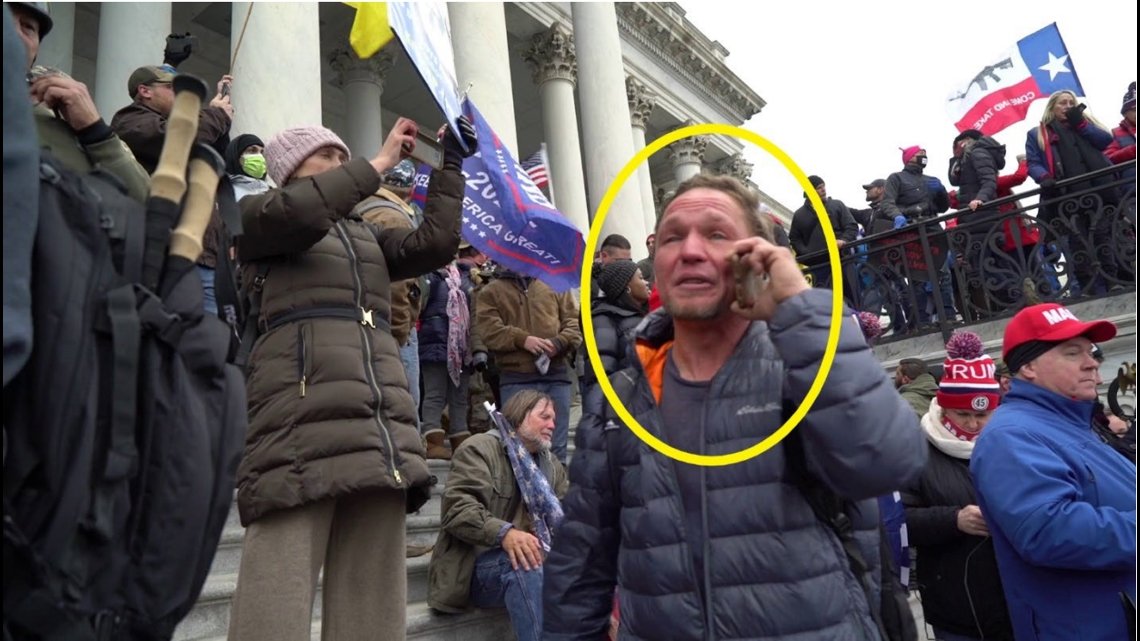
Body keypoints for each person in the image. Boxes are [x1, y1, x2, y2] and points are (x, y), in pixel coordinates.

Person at [542, 173, 927, 639]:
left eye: (717, 234)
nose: (689, 250)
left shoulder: (803, 359)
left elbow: (885, 461)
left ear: (757, 258)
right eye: (671, 238)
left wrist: (798, 309)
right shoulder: (620, 398)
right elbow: (580, 563)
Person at [226, 117, 473, 641]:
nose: (344, 166)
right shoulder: (261, 216)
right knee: (278, 586)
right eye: (328, 158)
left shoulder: (367, 236)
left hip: (377, 424)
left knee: (374, 600)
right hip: (299, 423)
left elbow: (435, 244)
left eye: (346, 157)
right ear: (290, 170)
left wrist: (451, 165)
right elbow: (306, 209)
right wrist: (379, 163)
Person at [971, 303, 1136, 641]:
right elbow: (1049, 531)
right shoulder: (1011, 436)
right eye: (1072, 353)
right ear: (1028, 366)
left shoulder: (1071, 422)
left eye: (1091, 352)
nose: (1092, 362)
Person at [427, 390, 568, 641]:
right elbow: (457, 509)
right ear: (519, 415)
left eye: (554, 420)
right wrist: (505, 533)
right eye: (545, 417)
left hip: (535, 560)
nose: (553, 425)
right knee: (527, 560)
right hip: (474, 567)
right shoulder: (479, 448)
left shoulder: (551, 464)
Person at [902, 331, 1013, 641]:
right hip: (957, 606)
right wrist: (954, 520)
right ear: (944, 408)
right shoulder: (916, 451)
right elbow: (899, 520)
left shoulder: (1011, 443)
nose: (973, 424)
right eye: (962, 414)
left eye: (982, 414)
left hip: (1019, 601)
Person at [14, 2, 149, 204]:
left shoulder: (59, 124)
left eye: (28, 27)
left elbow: (146, 204)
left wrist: (95, 132)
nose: (14, 33)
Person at [475, 267, 581, 464]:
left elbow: (573, 324)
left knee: (556, 447)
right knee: (518, 448)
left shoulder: (557, 283)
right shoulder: (491, 291)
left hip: (556, 375)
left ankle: (554, 492)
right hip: (515, 378)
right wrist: (521, 339)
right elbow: (488, 331)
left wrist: (558, 343)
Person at [1025, 90, 1120, 294]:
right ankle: (1089, 286)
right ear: (1052, 107)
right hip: (1067, 195)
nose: (1068, 106)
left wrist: (1081, 124)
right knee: (1078, 242)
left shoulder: (1085, 123)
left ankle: (1112, 280)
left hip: (1098, 190)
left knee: (1103, 236)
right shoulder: (1038, 133)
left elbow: (1105, 141)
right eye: (1063, 103)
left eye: (1071, 102)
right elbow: (1032, 162)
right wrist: (1043, 177)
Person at [418, 240, 487, 459]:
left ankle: (460, 439)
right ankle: (432, 441)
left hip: (461, 347)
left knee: (459, 397)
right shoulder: (427, 276)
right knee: (435, 393)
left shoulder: (467, 278)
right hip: (435, 343)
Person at [581, 260, 649, 396]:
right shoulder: (603, 320)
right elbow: (601, 377)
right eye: (641, 278)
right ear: (627, 287)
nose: (647, 282)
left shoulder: (645, 315)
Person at [788, 174, 858, 293]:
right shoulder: (799, 215)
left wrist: (843, 240)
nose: (823, 189)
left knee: (851, 295)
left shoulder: (837, 205)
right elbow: (795, 239)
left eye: (823, 186)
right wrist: (806, 252)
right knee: (825, 299)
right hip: (818, 265)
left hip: (843, 259)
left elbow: (851, 226)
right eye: (819, 187)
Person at [1104, 81, 1136, 182]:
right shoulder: (1116, 134)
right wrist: (1134, 150)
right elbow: (1108, 158)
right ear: (1125, 114)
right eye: (1135, 109)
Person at [224, 133, 270, 201]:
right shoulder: (224, 194)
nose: (260, 157)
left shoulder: (269, 190)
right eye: (252, 150)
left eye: (262, 153)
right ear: (236, 156)